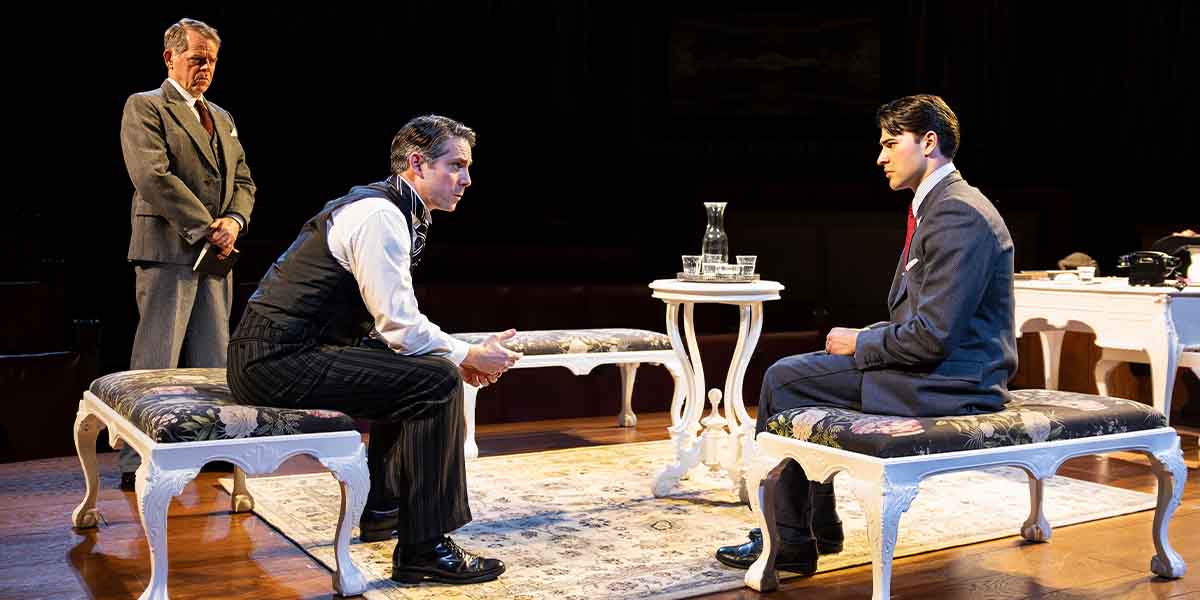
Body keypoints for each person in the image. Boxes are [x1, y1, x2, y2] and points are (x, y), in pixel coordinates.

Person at [715, 94, 1016, 574]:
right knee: (804, 371)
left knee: (784, 380)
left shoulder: (958, 213)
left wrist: (861, 342)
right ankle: (816, 526)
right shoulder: (941, 205)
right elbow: (927, 320)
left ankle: (790, 539)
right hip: (938, 368)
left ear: (929, 142)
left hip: (954, 382)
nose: (880, 157)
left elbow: (933, 338)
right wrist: (867, 337)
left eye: (891, 144)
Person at [227, 115, 520, 585]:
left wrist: (450, 354)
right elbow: (400, 326)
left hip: (285, 351)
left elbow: (392, 334)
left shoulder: (393, 209)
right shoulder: (380, 215)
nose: (467, 179)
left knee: (417, 368)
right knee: (436, 379)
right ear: (417, 162)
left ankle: (384, 507)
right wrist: (465, 356)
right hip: (273, 360)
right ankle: (425, 548)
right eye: (456, 166)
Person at [118, 18, 256, 490]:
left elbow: (243, 182)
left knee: (213, 359)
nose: (205, 68)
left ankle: (210, 450)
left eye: (212, 60)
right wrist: (206, 227)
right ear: (170, 57)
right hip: (170, 249)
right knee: (158, 359)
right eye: (197, 58)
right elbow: (152, 176)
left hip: (217, 253)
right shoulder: (146, 106)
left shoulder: (222, 116)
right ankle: (138, 461)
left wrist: (234, 222)